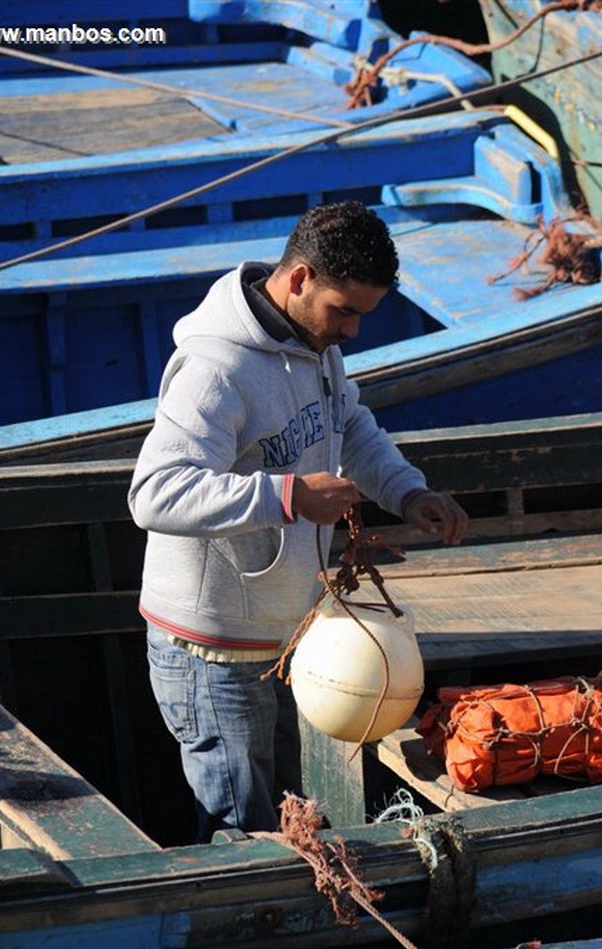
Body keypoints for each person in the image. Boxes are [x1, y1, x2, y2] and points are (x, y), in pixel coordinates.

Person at [128, 201, 467, 842]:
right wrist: (287, 497)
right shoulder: (215, 369)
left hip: (283, 638)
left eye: (363, 314)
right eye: (345, 310)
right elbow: (154, 494)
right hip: (211, 651)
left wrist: (406, 491)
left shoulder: (315, 344)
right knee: (245, 835)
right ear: (300, 278)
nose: (354, 331)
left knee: (285, 822)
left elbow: (351, 426)